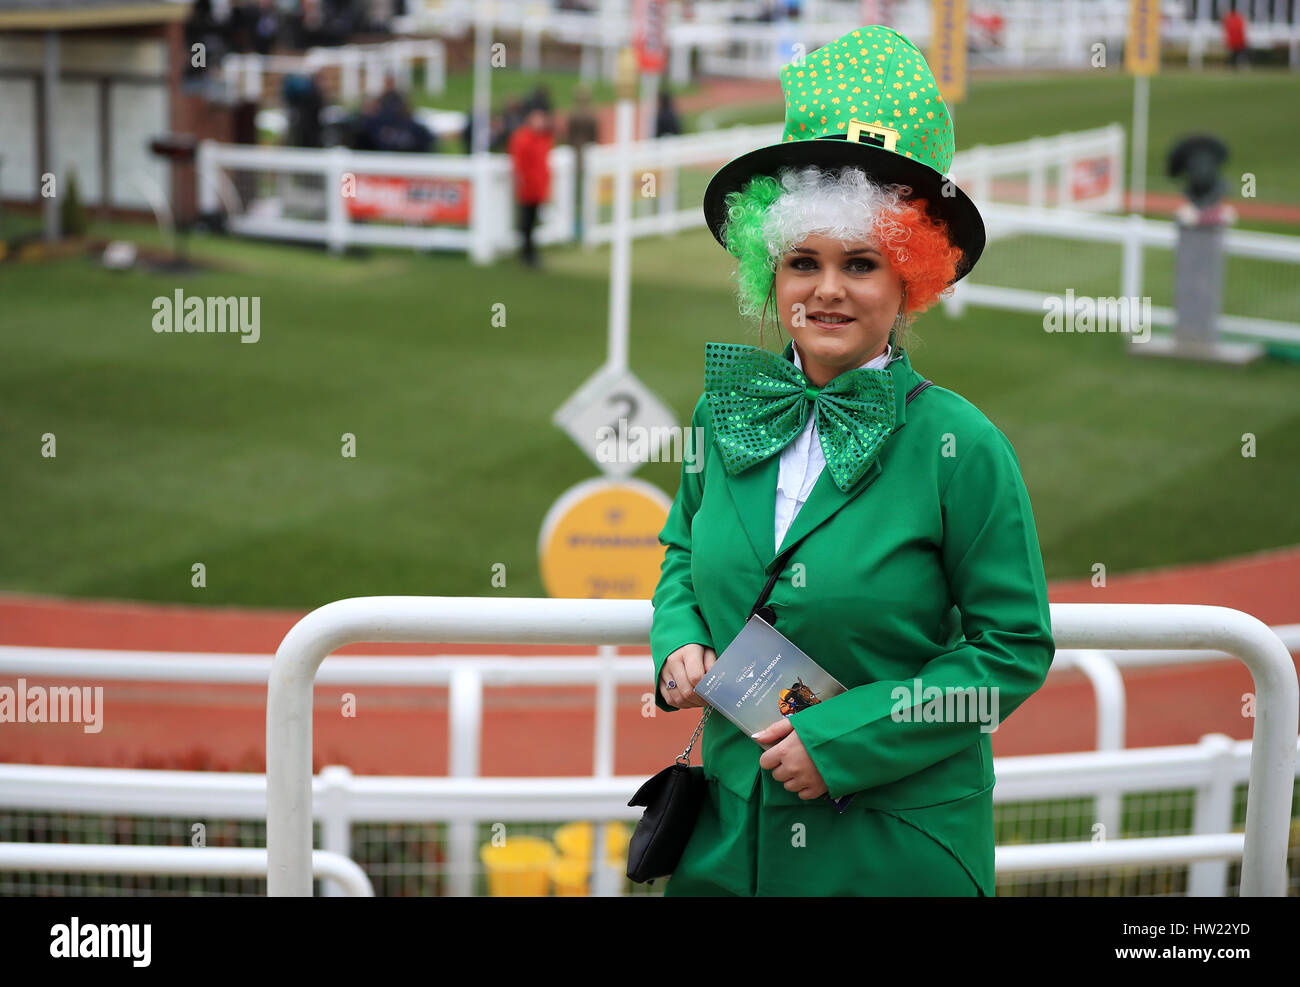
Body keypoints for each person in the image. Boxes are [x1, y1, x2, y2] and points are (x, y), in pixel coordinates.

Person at [649, 24, 1055, 897]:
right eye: (803, 261)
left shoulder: (964, 446)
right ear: (771, 273)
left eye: (861, 262)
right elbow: (681, 552)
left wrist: (844, 740)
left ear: (911, 278)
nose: (827, 288)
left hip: (892, 850)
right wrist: (678, 634)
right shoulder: (724, 418)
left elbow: (1011, 650)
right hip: (726, 845)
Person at [508, 107, 553, 268]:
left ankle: (530, 252)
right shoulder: (523, 138)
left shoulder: (542, 138)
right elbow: (519, 163)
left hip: (538, 186)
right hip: (528, 186)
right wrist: (520, 181)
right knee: (526, 220)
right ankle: (526, 253)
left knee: (533, 220)